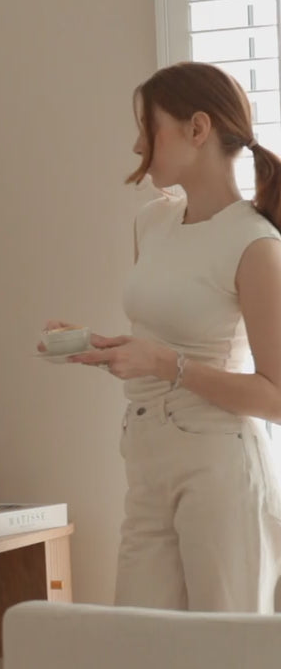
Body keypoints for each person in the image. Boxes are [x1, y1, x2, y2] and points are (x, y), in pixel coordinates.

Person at [42, 61, 281, 612]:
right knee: (139, 645)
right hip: (146, 457)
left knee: (223, 651)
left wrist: (166, 365)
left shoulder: (254, 244)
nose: (136, 146)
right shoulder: (152, 223)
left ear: (197, 129)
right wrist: (102, 347)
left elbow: (275, 397)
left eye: (147, 128)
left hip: (219, 466)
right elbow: (156, 341)